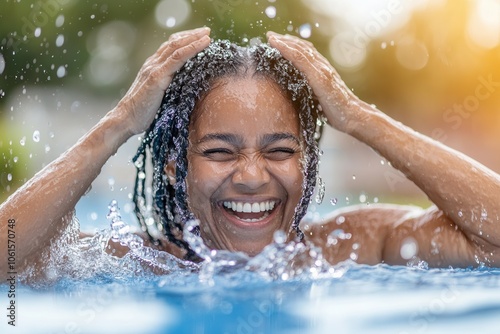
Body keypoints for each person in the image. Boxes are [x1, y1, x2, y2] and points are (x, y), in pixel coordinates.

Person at [1, 27, 500, 281]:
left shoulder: (351, 246)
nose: (252, 176)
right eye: (220, 152)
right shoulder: (135, 261)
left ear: (306, 163)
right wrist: (119, 125)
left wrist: (356, 116)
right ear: (177, 167)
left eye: (279, 150)